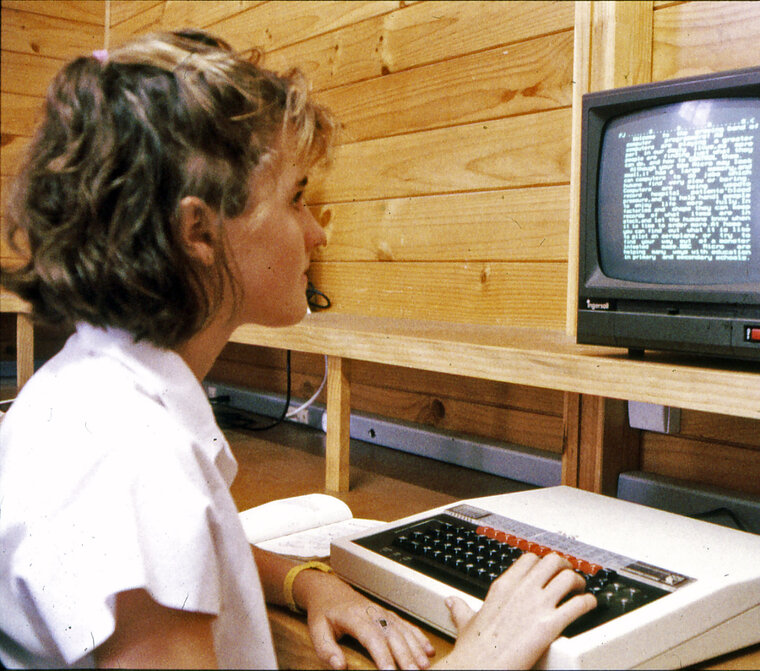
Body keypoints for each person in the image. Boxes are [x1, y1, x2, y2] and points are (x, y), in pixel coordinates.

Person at [0, 30, 595, 670]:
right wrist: (479, 661)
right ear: (198, 231)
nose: (316, 234)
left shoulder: (79, 388)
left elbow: (158, 562)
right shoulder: (139, 461)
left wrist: (304, 580)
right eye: (296, 197)